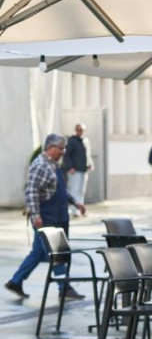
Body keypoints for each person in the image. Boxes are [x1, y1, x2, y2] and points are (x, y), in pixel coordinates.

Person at [5, 134, 86, 301]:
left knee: (37, 253)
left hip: (59, 216)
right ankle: (64, 287)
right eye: (61, 148)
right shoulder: (40, 165)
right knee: (56, 253)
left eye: (64, 148)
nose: (63, 151)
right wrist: (36, 216)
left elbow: (60, 191)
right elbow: (31, 192)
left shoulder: (53, 165)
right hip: (46, 218)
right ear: (50, 147)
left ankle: (15, 281)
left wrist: (75, 202)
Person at [63, 123, 93, 218]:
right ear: (75, 130)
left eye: (82, 130)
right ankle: (74, 210)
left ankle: (80, 208)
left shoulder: (85, 141)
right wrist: (70, 167)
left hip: (83, 169)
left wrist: (90, 164)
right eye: (78, 130)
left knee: (81, 190)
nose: (80, 132)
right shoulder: (72, 140)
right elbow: (66, 155)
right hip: (74, 170)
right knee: (74, 190)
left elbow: (88, 154)